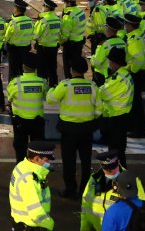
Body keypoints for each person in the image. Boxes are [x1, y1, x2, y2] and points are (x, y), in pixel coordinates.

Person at [46, 57, 101, 198]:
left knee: (69, 161)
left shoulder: (65, 86)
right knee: (86, 160)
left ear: (72, 70)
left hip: (69, 130)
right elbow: (99, 109)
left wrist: (52, 89)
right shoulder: (92, 86)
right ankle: (85, 190)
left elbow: (51, 99)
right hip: (86, 129)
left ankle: (70, 189)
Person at [81, 150, 145, 231]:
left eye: (114, 167)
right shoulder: (94, 180)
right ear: (101, 166)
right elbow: (86, 206)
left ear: (118, 162)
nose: (111, 172)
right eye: (108, 169)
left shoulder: (132, 181)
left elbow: (142, 210)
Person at [6, 52, 47, 162]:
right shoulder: (42, 82)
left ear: (23, 66)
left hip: (20, 122)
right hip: (37, 121)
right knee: (37, 151)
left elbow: (10, 98)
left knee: (20, 150)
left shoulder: (15, 83)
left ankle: (22, 173)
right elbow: (46, 95)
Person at [98, 47, 134, 167]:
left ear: (114, 62)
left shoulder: (118, 79)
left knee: (115, 151)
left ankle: (117, 176)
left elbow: (102, 93)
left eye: (109, 61)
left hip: (116, 117)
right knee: (118, 149)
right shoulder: (124, 74)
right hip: (122, 116)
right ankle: (119, 174)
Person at [8, 141, 56, 231]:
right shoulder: (30, 180)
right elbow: (36, 213)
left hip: (21, 221)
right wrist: (49, 224)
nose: (49, 163)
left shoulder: (21, 166)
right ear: (37, 159)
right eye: (47, 160)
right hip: (32, 225)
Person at [34, 0, 62, 87]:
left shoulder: (43, 20)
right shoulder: (57, 19)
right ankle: (53, 87)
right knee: (52, 69)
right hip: (53, 48)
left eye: (43, 6)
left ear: (47, 7)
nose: (42, 7)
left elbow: (35, 35)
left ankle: (43, 89)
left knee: (42, 71)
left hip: (43, 48)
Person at [4, 0, 35, 80]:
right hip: (25, 49)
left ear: (17, 9)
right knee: (23, 70)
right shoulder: (29, 20)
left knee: (13, 72)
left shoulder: (13, 23)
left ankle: (13, 87)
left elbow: (6, 37)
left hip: (14, 50)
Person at [60, 0, 87, 80]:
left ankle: (69, 84)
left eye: (64, 2)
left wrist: (60, 43)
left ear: (68, 3)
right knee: (77, 65)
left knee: (68, 68)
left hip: (70, 45)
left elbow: (64, 35)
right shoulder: (80, 11)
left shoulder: (68, 17)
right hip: (79, 43)